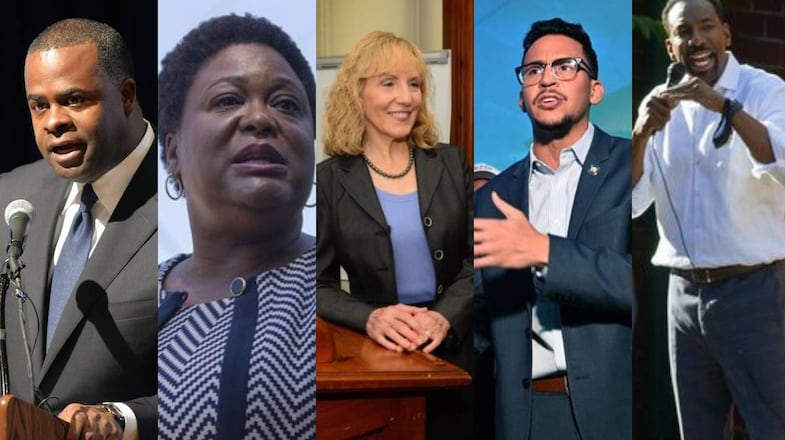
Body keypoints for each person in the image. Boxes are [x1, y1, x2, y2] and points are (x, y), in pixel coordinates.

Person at [632, 0, 785, 437]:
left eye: (706, 27)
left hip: (752, 292)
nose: (696, 40)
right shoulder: (658, 103)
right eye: (685, 31)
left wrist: (726, 108)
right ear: (670, 46)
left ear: (727, 34)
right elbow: (629, 202)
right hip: (682, 295)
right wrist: (640, 134)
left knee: (772, 429)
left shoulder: (765, 90)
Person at [157, 14, 316, 440]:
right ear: (173, 150)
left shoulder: (342, 282)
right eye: (228, 100)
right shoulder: (139, 294)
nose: (261, 118)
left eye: (286, 104)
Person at [474, 18, 633, 439]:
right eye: (533, 71)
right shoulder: (490, 199)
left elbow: (648, 285)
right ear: (521, 99)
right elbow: (479, 319)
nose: (547, 79)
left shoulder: (633, 169)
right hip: (522, 416)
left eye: (565, 66)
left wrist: (545, 251)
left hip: (615, 414)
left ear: (595, 90)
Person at [0, 18, 157, 440]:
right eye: (39, 105)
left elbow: (228, 379)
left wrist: (123, 418)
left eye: (73, 99)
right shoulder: (11, 195)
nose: (53, 121)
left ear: (126, 96)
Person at [316, 31, 473, 439]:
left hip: (459, 356)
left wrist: (444, 316)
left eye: (414, 83)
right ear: (358, 93)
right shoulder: (330, 181)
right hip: (380, 362)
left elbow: (481, 261)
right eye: (389, 83)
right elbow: (315, 284)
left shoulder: (452, 161)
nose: (406, 97)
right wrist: (370, 318)